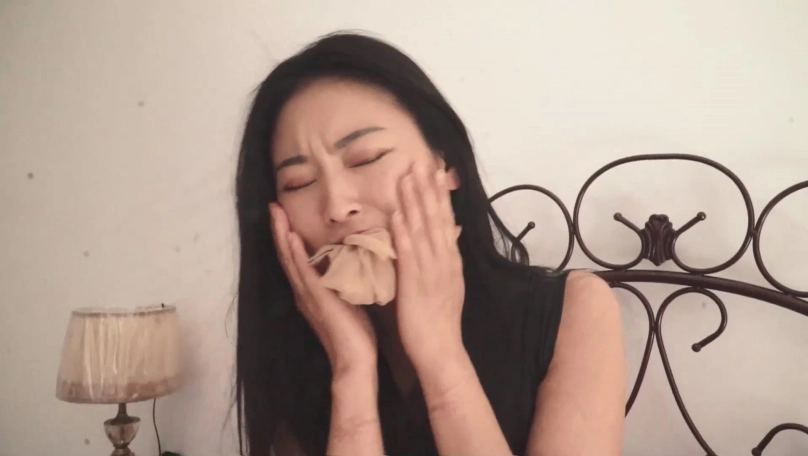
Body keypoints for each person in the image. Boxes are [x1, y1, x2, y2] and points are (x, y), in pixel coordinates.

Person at [234, 31, 626, 456]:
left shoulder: (575, 309)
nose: (337, 206)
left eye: (366, 158)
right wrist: (352, 373)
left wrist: (441, 355)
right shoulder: (292, 350)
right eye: (299, 182)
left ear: (447, 164)